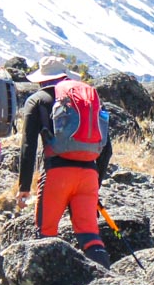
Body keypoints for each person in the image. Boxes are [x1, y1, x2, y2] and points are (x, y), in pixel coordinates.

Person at [16, 55, 113, 265]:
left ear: (42, 80)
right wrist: (96, 184)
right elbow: (107, 148)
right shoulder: (87, 99)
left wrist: (24, 186)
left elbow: (28, 146)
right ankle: (106, 280)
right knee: (90, 236)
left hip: (57, 174)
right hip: (89, 174)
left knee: (46, 234)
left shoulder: (38, 100)